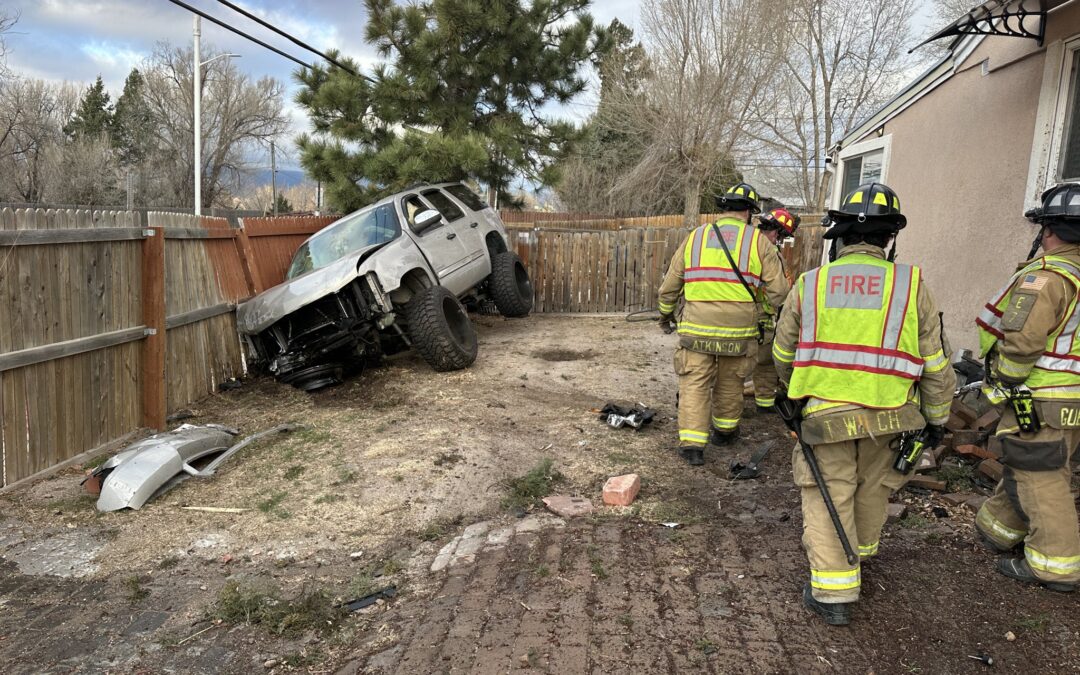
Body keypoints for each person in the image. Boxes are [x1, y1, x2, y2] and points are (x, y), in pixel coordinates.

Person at [773, 182, 955, 625]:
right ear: (889, 238)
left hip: (825, 417)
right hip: (893, 415)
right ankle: (858, 555)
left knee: (827, 493)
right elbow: (935, 363)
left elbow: (782, 352)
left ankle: (834, 592)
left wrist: (793, 393)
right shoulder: (912, 286)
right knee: (874, 486)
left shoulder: (811, 284)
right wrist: (936, 419)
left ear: (840, 238)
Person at [973, 183, 1080, 593]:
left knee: (1042, 479)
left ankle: (1056, 567)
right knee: (1033, 466)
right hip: (1071, 400)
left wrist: (1003, 380)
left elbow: (1022, 342)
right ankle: (997, 530)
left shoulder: (1046, 278)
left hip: (1041, 396)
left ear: (1049, 231)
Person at [657, 183, 789, 466]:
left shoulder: (696, 237)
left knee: (694, 381)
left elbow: (670, 285)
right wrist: (761, 308)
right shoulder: (758, 242)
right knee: (731, 381)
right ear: (750, 213)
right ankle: (725, 432)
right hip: (739, 332)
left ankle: (692, 446)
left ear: (724, 208)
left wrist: (665, 314)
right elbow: (779, 291)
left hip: (697, 328)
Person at [751, 208, 800, 412]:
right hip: (760, 314)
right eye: (780, 237)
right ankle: (763, 403)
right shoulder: (766, 251)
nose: (778, 241)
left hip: (753, 313)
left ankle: (763, 402)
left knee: (759, 362)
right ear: (775, 232)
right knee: (762, 362)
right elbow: (779, 291)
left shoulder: (748, 246)